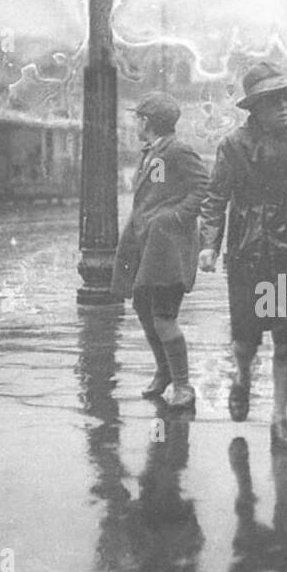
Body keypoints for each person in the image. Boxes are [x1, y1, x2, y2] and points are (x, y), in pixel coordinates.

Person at [199, 62, 287, 451]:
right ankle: (242, 378)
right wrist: (209, 244)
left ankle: (280, 418)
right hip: (247, 253)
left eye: (285, 100)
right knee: (245, 340)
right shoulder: (233, 146)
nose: (283, 108)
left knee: (285, 339)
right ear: (255, 108)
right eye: (273, 102)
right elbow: (216, 198)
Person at [110, 91, 210, 410]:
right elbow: (154, 195)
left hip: (168, 247)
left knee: (164, 315)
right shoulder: (153, 152)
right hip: (148, 243)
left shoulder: (177, 151)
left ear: (146, 122)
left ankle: (183, 385)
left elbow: (204, 187)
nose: (135, 123)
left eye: (138, 118)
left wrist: (177, 215)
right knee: (143, 307)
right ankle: (164, 372)